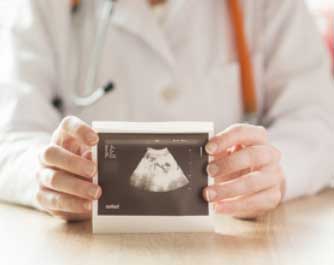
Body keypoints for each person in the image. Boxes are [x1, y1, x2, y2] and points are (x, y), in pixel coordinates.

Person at [0, 0, 333, 222]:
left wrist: (274, 169)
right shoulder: (40, 7)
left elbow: (317, 121)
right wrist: (44, 175)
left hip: (231, 243)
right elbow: (9, 134)